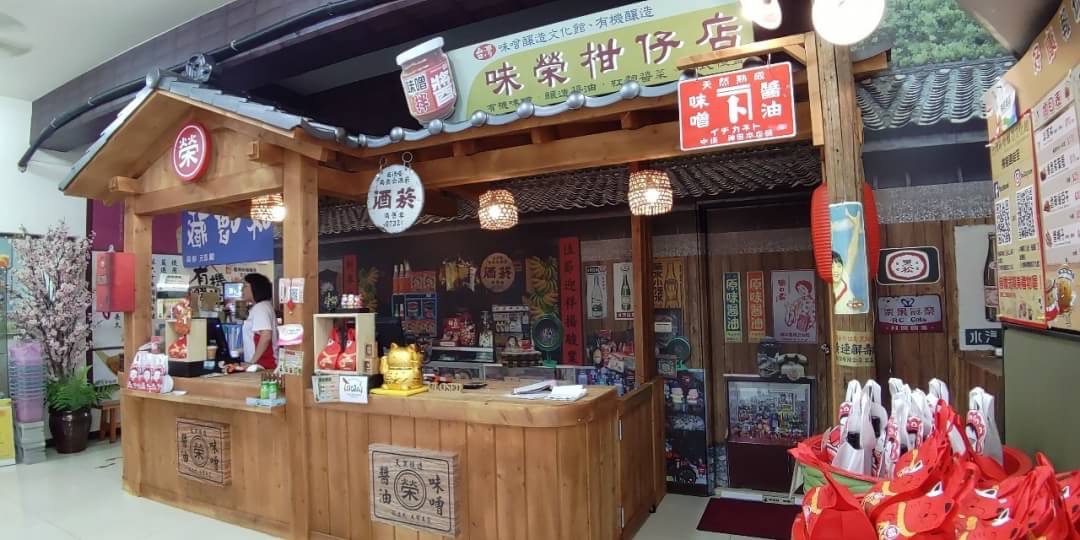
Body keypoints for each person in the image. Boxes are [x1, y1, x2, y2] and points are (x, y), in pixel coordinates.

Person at [241, 273, 277, 370]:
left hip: (262, 365)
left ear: (255, 287)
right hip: (259, 365)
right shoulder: (262, 306)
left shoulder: (261, 308)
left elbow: (266, 336)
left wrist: (251, 362)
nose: (242, 289)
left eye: (245, 286)